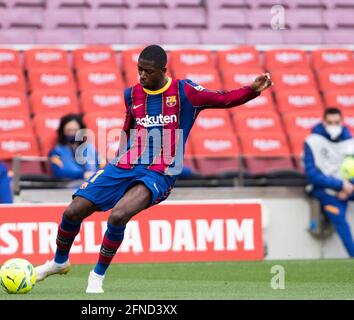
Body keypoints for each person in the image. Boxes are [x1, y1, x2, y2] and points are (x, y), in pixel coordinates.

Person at [35, 44, 273, 293]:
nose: (142, 76)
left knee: (118, 215)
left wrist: (252, 90)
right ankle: (58, 262)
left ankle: (96, 277)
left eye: (147, 71)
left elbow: (223, 99)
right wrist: (117, 163)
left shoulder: (185, 92)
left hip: (161, 170)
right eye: (139, 70)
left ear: (162, 70)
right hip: (128, 162)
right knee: (73, 211)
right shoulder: (132, 95)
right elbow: (128, 129)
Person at [304, 107, 354, 258]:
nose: (333, 125)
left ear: (342, 122)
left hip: (349, 188)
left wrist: (349, 186)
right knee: (340, 220)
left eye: (336, 122)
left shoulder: (350, 141)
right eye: (330, 122)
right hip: (326, 191)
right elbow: (312, 174)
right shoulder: (312, 142)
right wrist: (340, 185)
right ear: (324, 122)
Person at [48, 113, 99, 181]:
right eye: (68, 130)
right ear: (62, 132)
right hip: (68, 187)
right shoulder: (56, 152)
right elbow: (58, 173)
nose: (72, 133)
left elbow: (99, 170)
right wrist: (82, 175)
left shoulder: (90, 149)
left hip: (91, 186)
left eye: (75, 130)